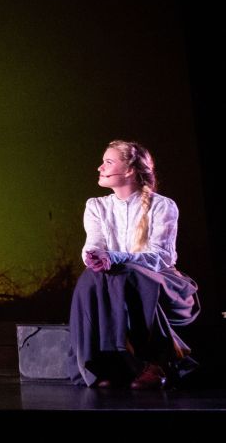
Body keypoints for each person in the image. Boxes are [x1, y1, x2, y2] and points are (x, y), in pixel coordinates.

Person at [68, 140, 199, 389]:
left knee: (127, 275)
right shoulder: (96, 206)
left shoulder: (163, 206)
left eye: (108, 162)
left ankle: (150, 363)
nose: (99, 167)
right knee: (90, 276)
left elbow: (161, 257)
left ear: (129, 169)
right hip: (118, 278)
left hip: (161, 279)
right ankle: (102, 364)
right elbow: (94, 242)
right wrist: (95, 256)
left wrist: (114, 258)